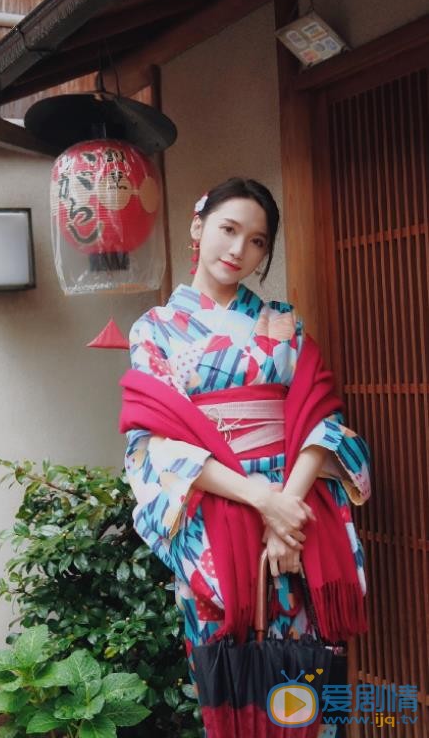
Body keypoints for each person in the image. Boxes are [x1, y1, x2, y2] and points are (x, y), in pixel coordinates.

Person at [120, 178, 370, 734]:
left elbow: (320, 418)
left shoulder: (283, 323)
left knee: (307, 666)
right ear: (198, 226)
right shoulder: (155, 330)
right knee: (229, 664)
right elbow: (158, 441)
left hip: (297, 511)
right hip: (215, 513)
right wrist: (263, 501)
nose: (238, 250)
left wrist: (286, 515)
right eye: (228, 230)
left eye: (257, 241)